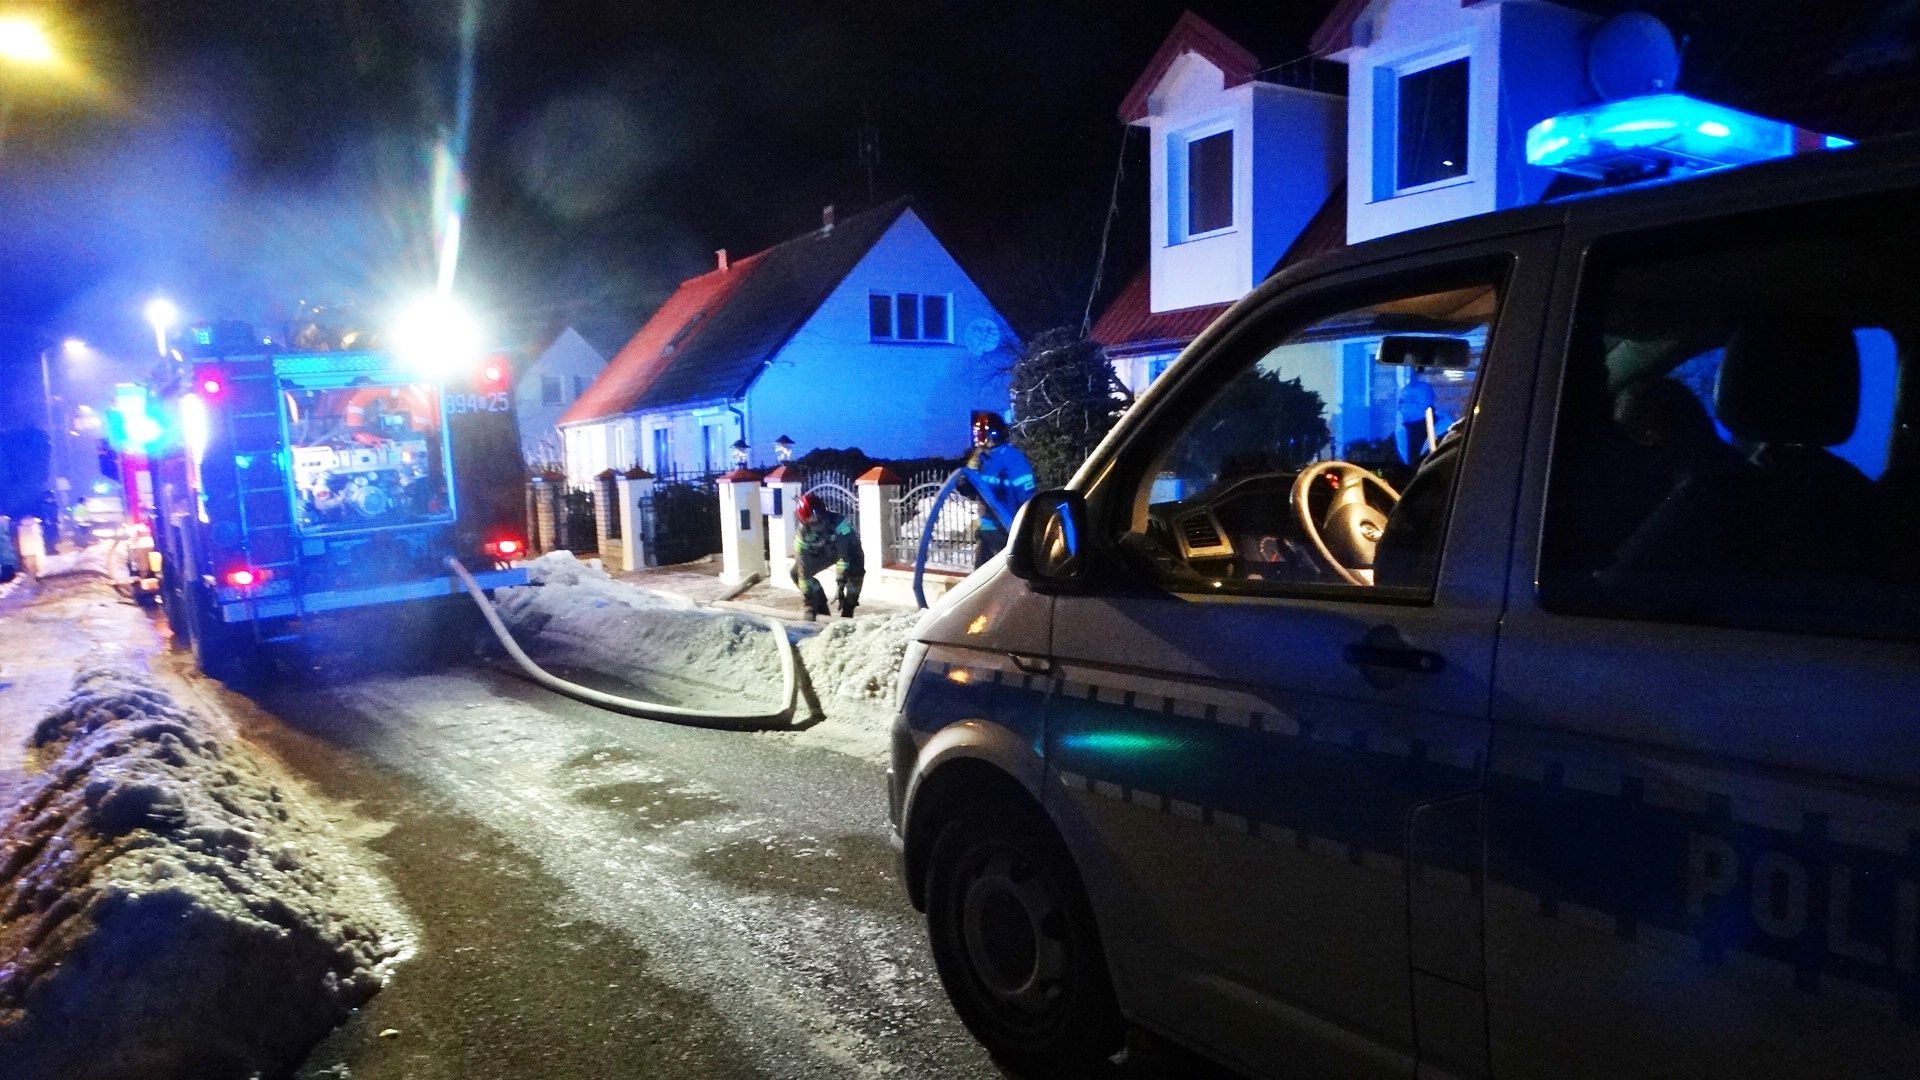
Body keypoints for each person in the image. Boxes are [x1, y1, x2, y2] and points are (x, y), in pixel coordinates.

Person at [962, 412, 1036, 568]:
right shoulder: (981, 459)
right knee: (981, 578)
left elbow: (1026, 497)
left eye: (982, 435)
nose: (978, 440)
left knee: (1003, 577)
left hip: (1006, 530)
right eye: (977, 434)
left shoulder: (1012, 459)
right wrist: (968, 476)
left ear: (993, 435)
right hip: (987, 531)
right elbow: (971, 491)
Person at [791, 493, 864, 619]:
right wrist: (809, 605)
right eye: (810, 521)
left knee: (856, 570)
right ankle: (820, 605)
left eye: (817, 518)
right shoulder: (801, 537)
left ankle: (848, 610)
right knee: (796, 573)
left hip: (849, 551)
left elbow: (844, 555)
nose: (815, 524)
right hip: (822, 554)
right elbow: (803, 572)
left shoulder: (840, 523)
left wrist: (841, 585)